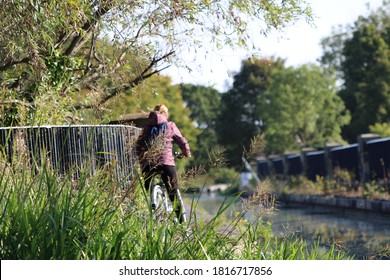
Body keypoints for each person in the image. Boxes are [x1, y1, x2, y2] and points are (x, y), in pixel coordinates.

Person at [136, 104, 191, 223]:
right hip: (166, 163)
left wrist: (143, 159)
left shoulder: (146, 128)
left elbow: (138, 145)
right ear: (166, 114)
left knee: (148, 192)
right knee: (173, 194)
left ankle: (152, 207)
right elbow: (182, 141)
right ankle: (183, 226)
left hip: (149, 163)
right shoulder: (170, 125)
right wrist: (186, 153)